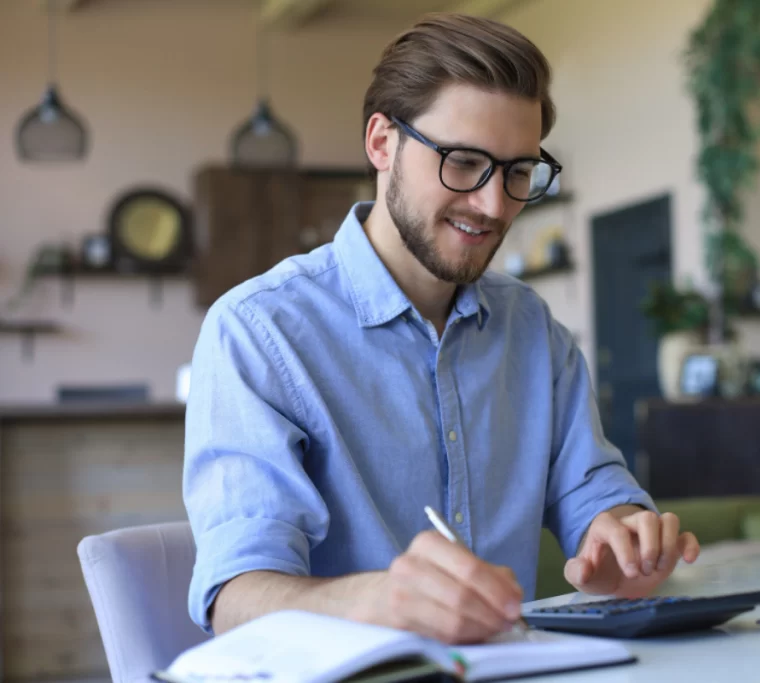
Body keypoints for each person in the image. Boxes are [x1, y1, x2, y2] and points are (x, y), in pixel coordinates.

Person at [183, 12, 700, 645]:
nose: (493, 205)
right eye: (462, 162)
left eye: (517, 172)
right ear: (381, 143)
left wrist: (623, 535)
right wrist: (382, 600)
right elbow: (236, 598)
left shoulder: (533, 330)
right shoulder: (259, 332)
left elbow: (592, 493)